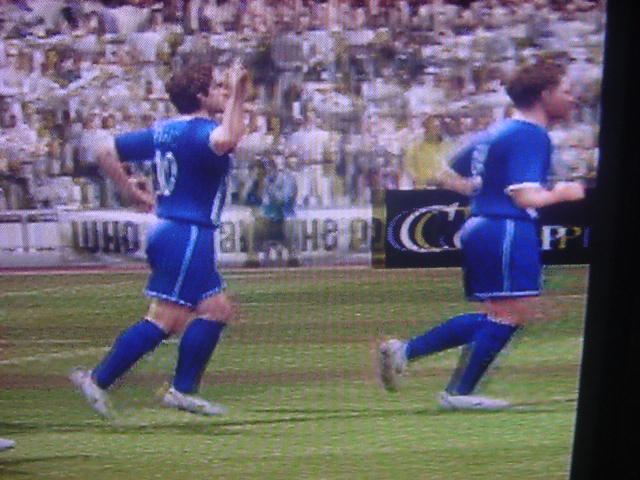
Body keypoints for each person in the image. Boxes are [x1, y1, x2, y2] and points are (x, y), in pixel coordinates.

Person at [378, 58, 586, 410]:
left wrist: (485, 191)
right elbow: (526, 197)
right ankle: (455, 391)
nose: (572, 99)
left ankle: (411, 355)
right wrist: (563, 193)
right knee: (511, 313)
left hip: (483, 225)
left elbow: (449, 175)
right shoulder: (530, 134)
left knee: (504, 312)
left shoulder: (496, 131)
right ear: (545, 94)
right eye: (565, 91)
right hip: (507, 227)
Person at [70, 59, 250, 417]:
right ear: (200, 95)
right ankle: (98, 379)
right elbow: (228, 137)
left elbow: (105, 151)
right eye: (217, 87)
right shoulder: (199, 132)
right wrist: (240, 90)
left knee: (217, 309)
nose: (223, 91)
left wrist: (127, 189)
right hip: (187, 233)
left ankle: (183, 390)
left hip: (172, 229)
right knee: (165, 319)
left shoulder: (164, 131)